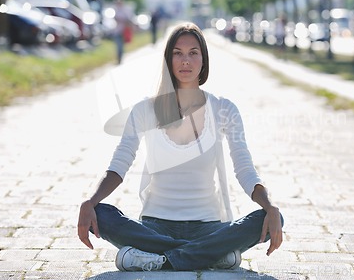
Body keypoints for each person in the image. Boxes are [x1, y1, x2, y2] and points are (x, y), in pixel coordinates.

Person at [77, 22, 284, 272]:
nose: (185, 60)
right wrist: (91, 201)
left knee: (273, 217)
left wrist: (269, 206)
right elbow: (120, 164)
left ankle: (160, 257)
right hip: (154, 226)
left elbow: (244, 168)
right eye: (177, 53)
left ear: (203, 60)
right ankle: (209, 254)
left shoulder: (223, 109)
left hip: (209, 226)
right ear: (168, 60)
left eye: (193, 53)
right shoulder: (145, 109)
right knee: (100, 213)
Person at [112, 0, 133, 64]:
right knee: (118, 46)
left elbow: (129, 20)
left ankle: (120, 59)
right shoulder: (115, 10)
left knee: (121, 47)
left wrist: (122, 20)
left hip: (123, 31)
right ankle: (118, 59)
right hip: (117, 31)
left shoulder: (125, 10)